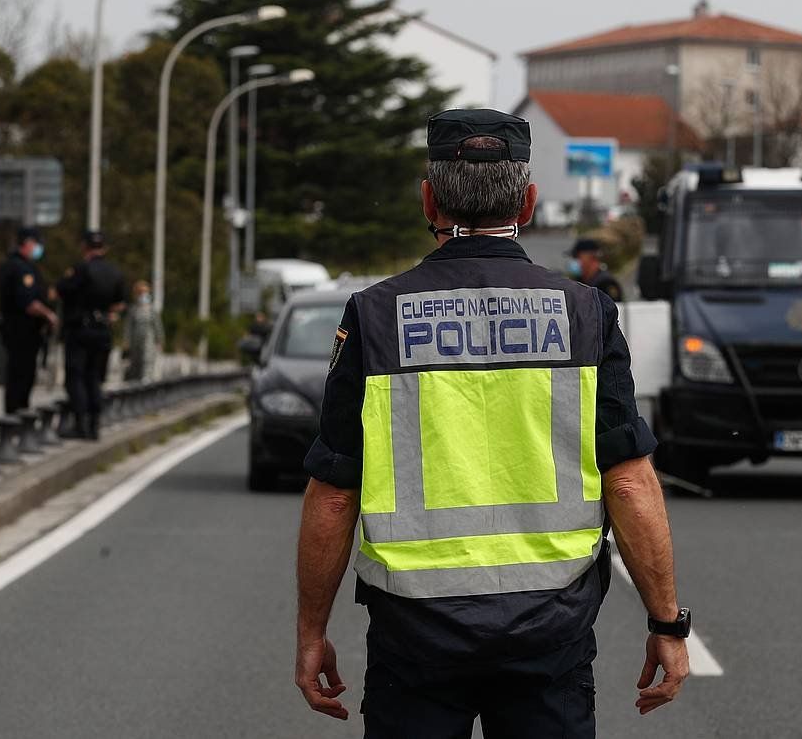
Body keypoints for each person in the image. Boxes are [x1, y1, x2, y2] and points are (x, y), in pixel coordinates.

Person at [295, 109, 689, 738]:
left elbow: (335, 492)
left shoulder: (375, 316)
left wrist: (312, 631)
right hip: (550, 634)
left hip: (414, 636)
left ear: (429, 198)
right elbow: (631, 483)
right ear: (528, 201)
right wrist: (666, 624)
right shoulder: (585, 313)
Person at [57, 230, 126, 440]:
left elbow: (62, 290)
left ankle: (81, 424)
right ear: (104, 248)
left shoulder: (81, 269)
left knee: (76, 376)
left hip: (80, 330)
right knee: (95, 377)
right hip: (103, 330)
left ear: (85, 247)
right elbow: (120, 304)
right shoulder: (115, 273)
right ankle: (95, 424)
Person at [0, 227, 58, 414]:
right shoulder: (20, 268)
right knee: (21, 375)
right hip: (22, 330)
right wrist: (49, 315)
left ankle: (17, 413)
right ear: (28, 243)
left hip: (21, 331)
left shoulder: (16, 265)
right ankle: (16, 415)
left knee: (22, 374)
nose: (39, 248)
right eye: (37, 243)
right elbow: (29, 303)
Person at [123, 281, 163, 382]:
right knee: (135, 362)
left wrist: (159, 340)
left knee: (147, 360)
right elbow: (128, 327)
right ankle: (134, 382)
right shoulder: (133, 310)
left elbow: (157, 326)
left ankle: (146, 380)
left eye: (145, 292)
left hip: (149, 339)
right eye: (140, 292)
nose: (143, 295)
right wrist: (126, 341)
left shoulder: (152, 310)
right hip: (135, 340)